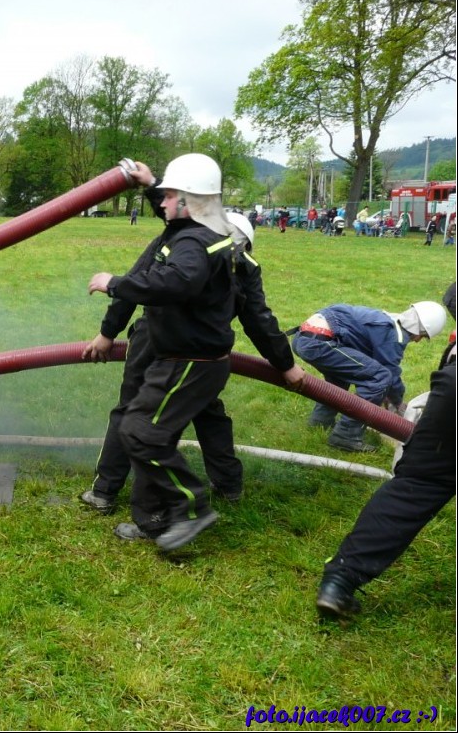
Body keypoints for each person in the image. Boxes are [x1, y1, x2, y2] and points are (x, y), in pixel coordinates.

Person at [80, 207, 306, 513]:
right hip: (203, 352)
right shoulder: (239, 262)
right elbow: (259, 321)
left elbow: (135, 281)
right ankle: (226, 486)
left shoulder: (182, 242)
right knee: (203, 411)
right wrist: (286, 366)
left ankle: (105, 492)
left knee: (134, 410)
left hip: (165, 342)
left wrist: (108, 332)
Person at [81, 154, 241, 552]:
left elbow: (175, 280)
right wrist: (152, 184)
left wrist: (113, 284)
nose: (162, 204)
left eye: (169, 196)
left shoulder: (193, 243)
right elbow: (176, 233)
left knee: (141, 431)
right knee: (143, 431)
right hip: (184, 356)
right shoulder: (203, 231)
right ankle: (160, 518)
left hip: (188, 361)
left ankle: (190, 509)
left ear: (188, 201)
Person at [316, 285, 456, 620]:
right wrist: (397, 400)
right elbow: (388, 374)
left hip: (453, 388)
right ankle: (345, 435)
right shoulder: (389, 332)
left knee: (416, 486)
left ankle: (340, 580)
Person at [291, 300, 447, 452]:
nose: (419, 341)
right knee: (380, 378)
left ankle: (319, 422)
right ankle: (345, 435)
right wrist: (398, 403)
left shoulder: (387, 320)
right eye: (423, 336)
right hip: (319, 343)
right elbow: (390, 373)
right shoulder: (395, 334)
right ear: (419, 329)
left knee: (340, 379)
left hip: (306, 337)